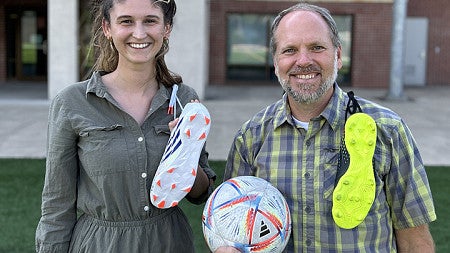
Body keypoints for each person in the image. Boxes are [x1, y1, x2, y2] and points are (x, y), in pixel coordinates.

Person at [220, 3, 436, 252]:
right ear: (276, 61)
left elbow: (413, 236)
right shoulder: (250, 137)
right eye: (290, 50)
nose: (303, 61)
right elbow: (232, 228)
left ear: (338, 55)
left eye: (317, 47)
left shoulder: (387, 130)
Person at [35, 0, 215, 252]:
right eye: (126, 21)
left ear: (167, 29)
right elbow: (56, 204)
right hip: (99, 244)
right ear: (107, 28)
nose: (139, 33)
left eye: (150, 21)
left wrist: (184, 152)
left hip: (170, 242)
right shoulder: (72, 102)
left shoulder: (184, 100)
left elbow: (200, 195)